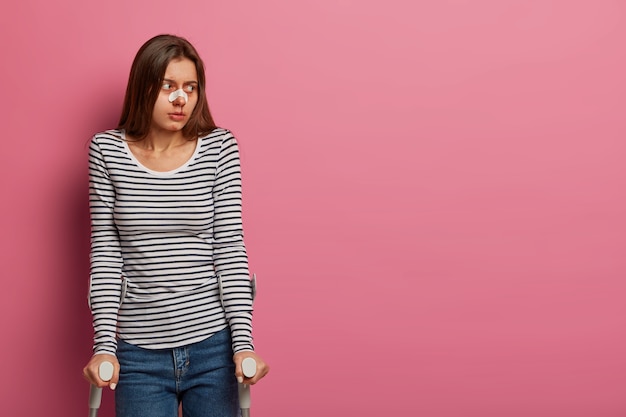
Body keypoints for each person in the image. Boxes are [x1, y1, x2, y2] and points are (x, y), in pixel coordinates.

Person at [82, 34, 269, 417]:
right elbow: (106, 253)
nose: (180, 98)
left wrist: (243, 344)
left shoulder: (219, 148)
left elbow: (229, 248)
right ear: (143, 86)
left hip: (213, 348)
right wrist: (104, 346)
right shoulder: (106, 151)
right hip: (138, 354)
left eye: (190, 87)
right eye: (168, 86)